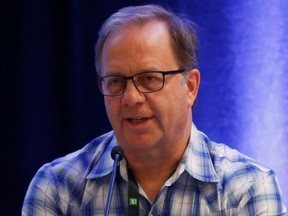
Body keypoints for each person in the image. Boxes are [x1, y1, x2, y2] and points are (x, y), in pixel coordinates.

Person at [22, 4, 287, 215]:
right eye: (115, 81)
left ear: (190, 87)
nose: (131, 98)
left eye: (149, 78)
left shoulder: (247, 189)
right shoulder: (59, 189)